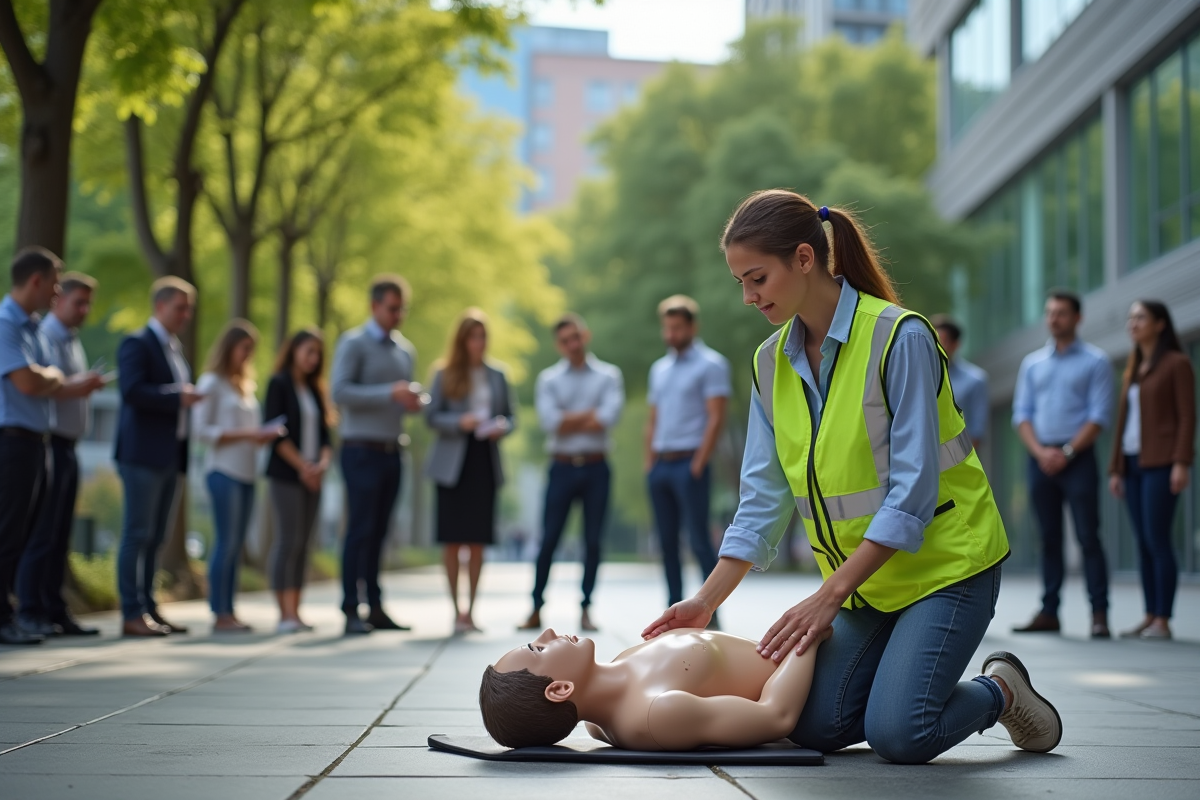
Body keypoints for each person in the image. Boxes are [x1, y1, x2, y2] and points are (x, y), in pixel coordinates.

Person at [641, 190, 1060, 764]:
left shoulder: (900, 337)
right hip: (868, 588)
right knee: (810, 726)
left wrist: (827, 596)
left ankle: (1001, 690)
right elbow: (762, 499)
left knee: (899, 734)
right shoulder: (770, 363)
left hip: (948, 568)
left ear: (805, 259)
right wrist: (705, 601)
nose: (748, 296)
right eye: (741, 281)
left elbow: (912, 493)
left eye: (757, 278)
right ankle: (901, 673)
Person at [480, 628, 1043, 753]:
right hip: (817, 665)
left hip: (808, 641)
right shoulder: (653, 715)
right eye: (536, 649)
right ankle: (999, 692)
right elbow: (775, 716)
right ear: (559, 689)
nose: (547, 634)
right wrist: (808, 634)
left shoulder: (615, 677)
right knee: (902, 730)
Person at [1, 249, 102, 645]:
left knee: (29, 533)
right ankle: (10, 614)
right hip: (13, 441)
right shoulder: (7, 323)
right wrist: (51, 378)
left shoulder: (30, 328)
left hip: (36, 442)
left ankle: (19, 612)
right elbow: (30, 382)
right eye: (56, 281)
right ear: (37, 281)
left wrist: (48, 377)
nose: (58, 290)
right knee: (10, 533)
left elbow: (46, 379)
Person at [1012, 290, 1114, 638]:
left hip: (1078, 459)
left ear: (1077, 318)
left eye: (1061, 313)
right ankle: (1049, 611)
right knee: (1048, 537)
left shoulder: (1096, 361)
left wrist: (1067, 452)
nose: (1053, 319)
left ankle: (1099, 613)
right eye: (1050, 312)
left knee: (1088, 537)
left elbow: (1099, 416)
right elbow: (1021, 415)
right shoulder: (1032, 364)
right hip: (1040, 459)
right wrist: (1042, 453)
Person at [331, 274, 424, 635]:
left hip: (392, 450)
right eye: (392, 308)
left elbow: (400, 400)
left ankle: (376, 605)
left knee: (381, 531)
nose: (399, 314)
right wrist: (389, 393)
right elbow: (340, 392)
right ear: (374, 306)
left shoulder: (405, 350)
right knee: (360, 529)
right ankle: (350, 607)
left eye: (403, 308)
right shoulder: (353, 343)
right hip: (360, 449)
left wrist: (410, 402)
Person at [521, 314, 624, 633]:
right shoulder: (549, 379)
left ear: (585, 336)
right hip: (562, 466)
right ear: (559, 345)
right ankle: (536, 608)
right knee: (549, 538)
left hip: (596, 465)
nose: (573, 344)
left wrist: (569, 418)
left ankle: (586, 609)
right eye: (566, 340)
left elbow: (608, 417)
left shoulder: (608, 375)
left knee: (593, 541)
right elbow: (551, 422)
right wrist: (588, 415)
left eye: (576, 337)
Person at [114, 276, 202, 637]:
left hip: (170, 455)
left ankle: (149, 608)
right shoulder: (138, 343)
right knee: (137, 532)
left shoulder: (174, 348)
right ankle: (131, 612)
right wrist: (176, 395)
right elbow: (132, 391)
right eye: (180, 308)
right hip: (141, 455)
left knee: (157, 537)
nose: (186, 315)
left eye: (189, 309)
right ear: (160, 306)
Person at [1108, 301, 1195, 641]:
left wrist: (1182, 461)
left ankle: (1163, 618)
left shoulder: (1177, 363)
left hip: (1162, 462)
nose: (1133, 323)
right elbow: (1123, 424)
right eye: (1130, 317)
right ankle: (1149, 615)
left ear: (1160, 324)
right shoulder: (1134, 366)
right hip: (1132, 464)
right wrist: (1116, 467)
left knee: (1158, 539)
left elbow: (1187, 416)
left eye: (1140, 317)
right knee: (1143, 541)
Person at [425, 309, 516, 634]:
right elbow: (431, 416)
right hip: (452, 463)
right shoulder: (444, 373)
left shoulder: (498, 375)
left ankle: (471, 611)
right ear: (462, 340)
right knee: (452, 540)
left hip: (484, 460)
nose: (478, 343)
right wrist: (459, 422)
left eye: (483, 336)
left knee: (477, 540)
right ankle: (455, 609)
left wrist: (501, 427)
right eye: (473, 336)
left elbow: (511, 416)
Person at [193, 319, 282, 633]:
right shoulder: (211, 383)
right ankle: (219, 612)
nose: (248, 355)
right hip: (223, 471)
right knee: (226, 542)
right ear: (229, 347)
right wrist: (246, 434)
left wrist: (260, 436)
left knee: (236, 543)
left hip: (247, 474)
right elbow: (201, 430)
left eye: (251, 350)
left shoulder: (244, 385)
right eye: (244, 348)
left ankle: (229, 609)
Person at [645, 295, 730, 611]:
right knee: (667, 542)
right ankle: (672, 607)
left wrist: (698, 462)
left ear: (693, 326)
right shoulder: (660, 369)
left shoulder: (711, 365)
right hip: (661, 465)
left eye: (678, 328)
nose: (671, 334)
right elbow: (652, 418)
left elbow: (716, 416)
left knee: (698, 540)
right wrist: (648, 463)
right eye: (667, 328)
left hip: (689, 463)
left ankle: (711, 609)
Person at [264, 328, 334, 634]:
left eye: (317, 353)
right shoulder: (278, 384)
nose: (313, 358)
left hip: (313, 477)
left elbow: (326, 437)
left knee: (304, 544)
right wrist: (303, 467)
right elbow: (276, 434)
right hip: (287, 474)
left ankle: (297, 610)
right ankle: (284, 613)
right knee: (288, 540)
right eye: (308, 351)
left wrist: (321, 465)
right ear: (293, 350)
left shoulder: (317, 390)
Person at [931, 315, 988, 450]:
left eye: (942, 340)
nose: (936, 345)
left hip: (958, 459)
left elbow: (977, 431)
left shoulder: (975, 380)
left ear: (955, 344)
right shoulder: (920, 377)